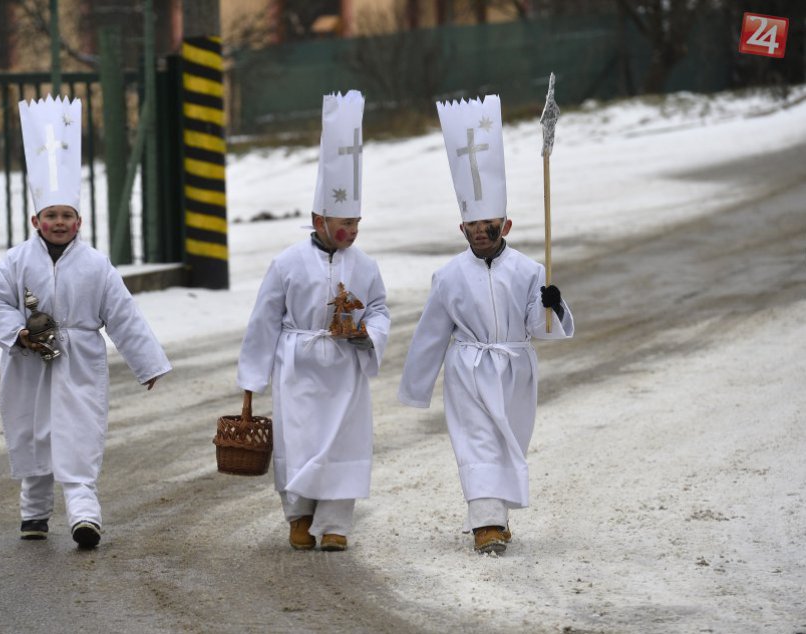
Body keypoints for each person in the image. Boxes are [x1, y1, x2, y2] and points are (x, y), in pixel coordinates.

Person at [0, 95, 171, 549]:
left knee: (78, 435)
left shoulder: (96, 265)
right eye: (51, 216)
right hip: (29, 365)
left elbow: (123, 313)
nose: (58, 222)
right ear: (35, 219)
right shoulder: (17, 260)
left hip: (79, 363)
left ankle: (85, 515)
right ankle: (34, 513)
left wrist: (148, 363)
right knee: (34, 433)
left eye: (66, 215)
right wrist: (17, 332)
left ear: (79, 220)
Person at [397, 95, 574, 555]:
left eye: (489, 222)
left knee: (505, 441)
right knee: (476, 443)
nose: (481, 230)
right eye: (472, 223)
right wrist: (417, 386)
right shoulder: (450, 276)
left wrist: (552, 304)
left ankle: (498, 516)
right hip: (469, 370)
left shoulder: (531, 270)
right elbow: (431, 333)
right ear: (462, 228)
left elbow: (540, 327)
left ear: (506, 223)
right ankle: (487, 524)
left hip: (515, 371)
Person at [237, 91, 389, 552]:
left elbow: (379, 308)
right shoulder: (286, 263)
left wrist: (366, 333)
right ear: (318, 219)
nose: (351, 231)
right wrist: (251, 381)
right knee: (299, 441)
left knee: (343, 441)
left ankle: (337, 522)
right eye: (343, 222)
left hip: (344, 370)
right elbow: (264, 319)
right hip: (299, 367)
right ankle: (300, 516)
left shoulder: (364, 264)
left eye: (357, 222)